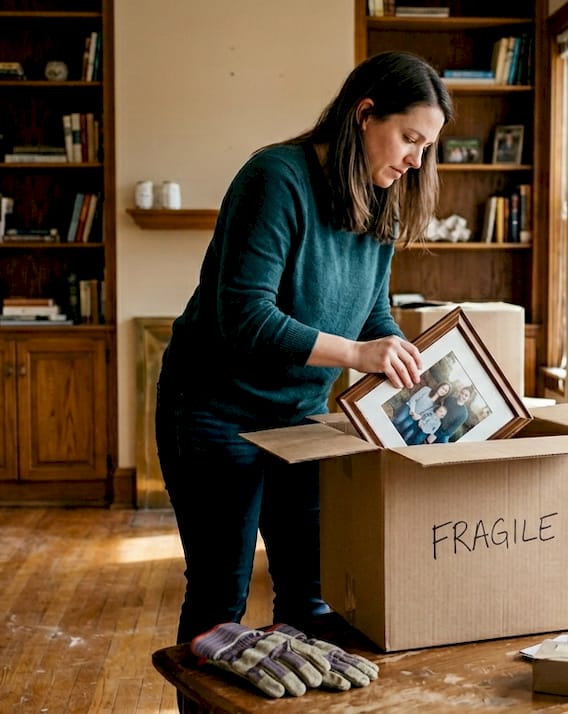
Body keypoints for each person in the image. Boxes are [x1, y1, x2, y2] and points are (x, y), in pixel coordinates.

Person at [155, 50, 453, 646]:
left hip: (298, 417)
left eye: (427, 148)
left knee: (311, 594)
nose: (417, 160)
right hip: (216, 411)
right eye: (410, 139)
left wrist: (390, 343)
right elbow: (244, 317)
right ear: (365, 114)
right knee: (221, 594)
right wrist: (357, 356)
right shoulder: (275, 178)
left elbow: (371, 309)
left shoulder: (380, 196)